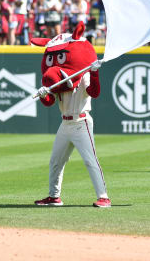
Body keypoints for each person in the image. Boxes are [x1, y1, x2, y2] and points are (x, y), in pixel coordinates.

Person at [33, 22, 110, 207]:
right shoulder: (59, 79)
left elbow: (94, 92)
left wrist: (95, 73)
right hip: (65, 123)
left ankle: (104, 197)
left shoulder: (83, 74)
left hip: (81, 121)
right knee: (56, 162)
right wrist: (44, 94)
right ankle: (54, 196)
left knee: (90, 160)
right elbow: (50, 102)